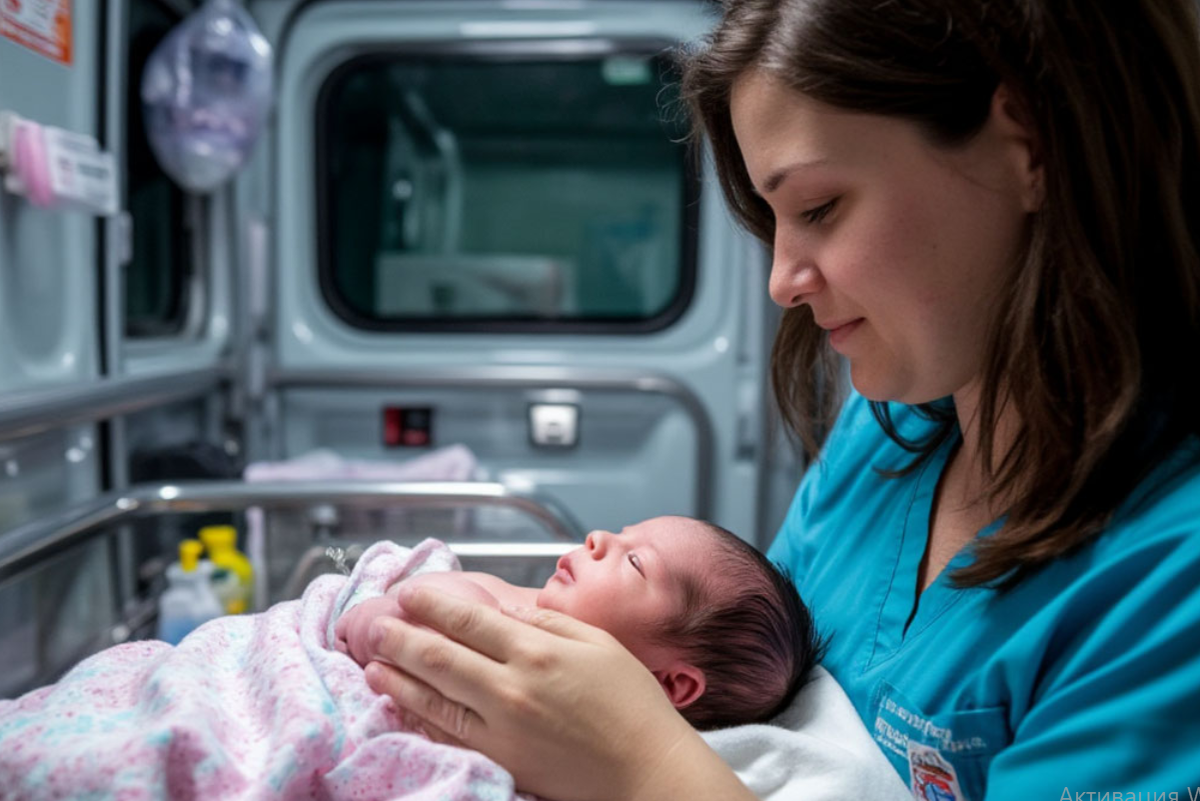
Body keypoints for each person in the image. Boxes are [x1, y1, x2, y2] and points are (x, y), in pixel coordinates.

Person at [359, 2, 1200, 799]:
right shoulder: (890, 436)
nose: (781, 282)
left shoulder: (1169, 582)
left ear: (1030, 145)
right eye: (773, 220)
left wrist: (638, 760)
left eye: (821, 207)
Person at [336, 515, 821, 732]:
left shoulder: (543, 682)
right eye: (621, 531)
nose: (597, 538)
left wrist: (389, 612)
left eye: (635, 563)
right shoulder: (542, 611)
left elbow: (399, 635)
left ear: (673, 683)